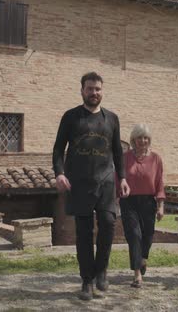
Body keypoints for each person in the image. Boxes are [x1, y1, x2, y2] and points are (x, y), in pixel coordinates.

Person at [52, 72, 130, 300]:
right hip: (79, 183)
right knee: (84, 233)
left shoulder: (112, 119)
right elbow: (58, 149)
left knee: (108, 224)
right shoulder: (71, 117)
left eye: (97, 89)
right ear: (82, 91)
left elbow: (117, 151)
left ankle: (101, 272)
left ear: (102, 91)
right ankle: (87, 281)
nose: (94, 93)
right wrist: (59, 173)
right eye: (90, 89)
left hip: (105, 181)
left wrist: (122, 178)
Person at [119, 123, 165, 288]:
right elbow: (119, 179)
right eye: (139, 137)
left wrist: (161, 206)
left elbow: (159, 183)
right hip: (128, 201)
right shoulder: (124, 158)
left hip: (148, 201)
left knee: (148, 234)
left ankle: (143, 258)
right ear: (133, 139)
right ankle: (137, 274)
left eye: (145, 138)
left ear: (149, 140)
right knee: (134, 235)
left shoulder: (156, 158)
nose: (142, 140)